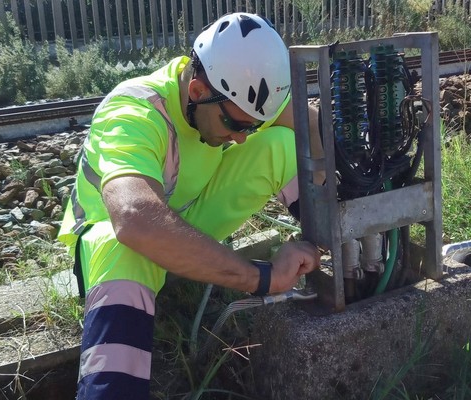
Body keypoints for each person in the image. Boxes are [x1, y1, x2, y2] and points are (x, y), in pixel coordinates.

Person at [58, 12, 323, 400]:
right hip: (114, 248)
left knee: (282, 145)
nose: (241, 139)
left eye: (250, 126)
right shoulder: (134, 111)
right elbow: (134, 221)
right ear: (197, 91)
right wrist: (263, 278)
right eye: (236, 126)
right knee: (125, 246)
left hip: (184, 228)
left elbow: (304, 122)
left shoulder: (229, 96)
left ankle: (340, 255)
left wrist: (352, 161)